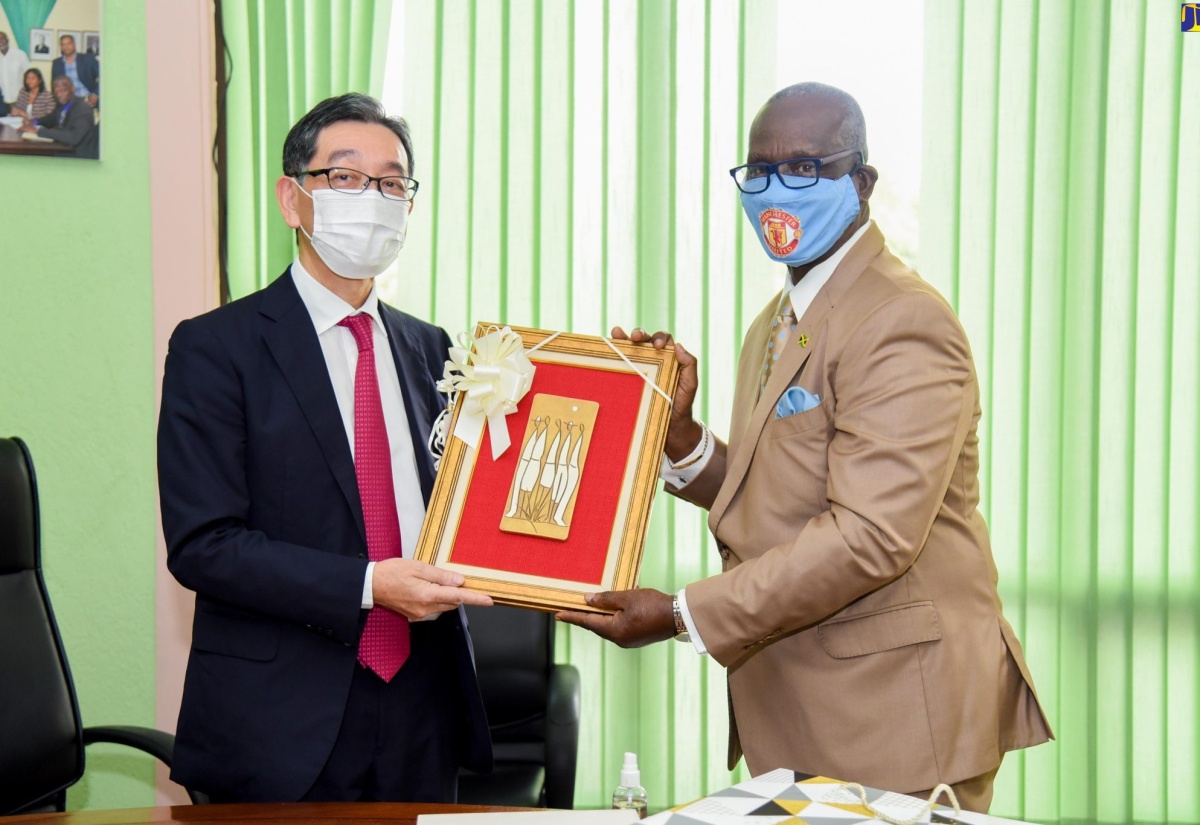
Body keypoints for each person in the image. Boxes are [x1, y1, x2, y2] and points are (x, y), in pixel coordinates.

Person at [557, 82, 1053, 813]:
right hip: (804, 703)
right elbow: (783, 491)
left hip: (893, 718)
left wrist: (680, 614)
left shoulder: (900, 319)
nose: (775, 189)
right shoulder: (778, 319)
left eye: (805, 168)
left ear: (862, 181)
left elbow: (870, 535)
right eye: (758, 171)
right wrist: (683, 437)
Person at [157, 92, 494, 803]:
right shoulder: (216, 347)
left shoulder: (434, 348)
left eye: (392, 181)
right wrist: (370, 585)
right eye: (344, 177)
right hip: (279, 718)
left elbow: (465, 506)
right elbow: (204, 545)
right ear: (292, 198)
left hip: (422, 705)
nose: (372, 198)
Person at [21, 75, 98, 159]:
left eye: (63, 91)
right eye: (56, 92)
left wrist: (38, 131)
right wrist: (34, 121)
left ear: (73, 89)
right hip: (62, 148)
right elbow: (52, 118)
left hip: (77, 157)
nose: (59, 95)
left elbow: (73, 137)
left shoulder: (83, 110)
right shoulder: (63, 104)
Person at [51, 34, 98, 107]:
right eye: (63, 44)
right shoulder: (57, 63)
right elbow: (54, 85)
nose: (66, 47)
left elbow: (104, 76)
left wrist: (95, 95)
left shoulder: (88, 59)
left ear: (74, 45)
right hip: (67, 102)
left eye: (68, 43)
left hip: (87, 100)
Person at [0, 31, 29, 107]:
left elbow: (29, 75)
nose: (0, 42)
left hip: (19, 100)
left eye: (2, 39)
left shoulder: (20, 55)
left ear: (7, 40)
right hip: (1, 102)